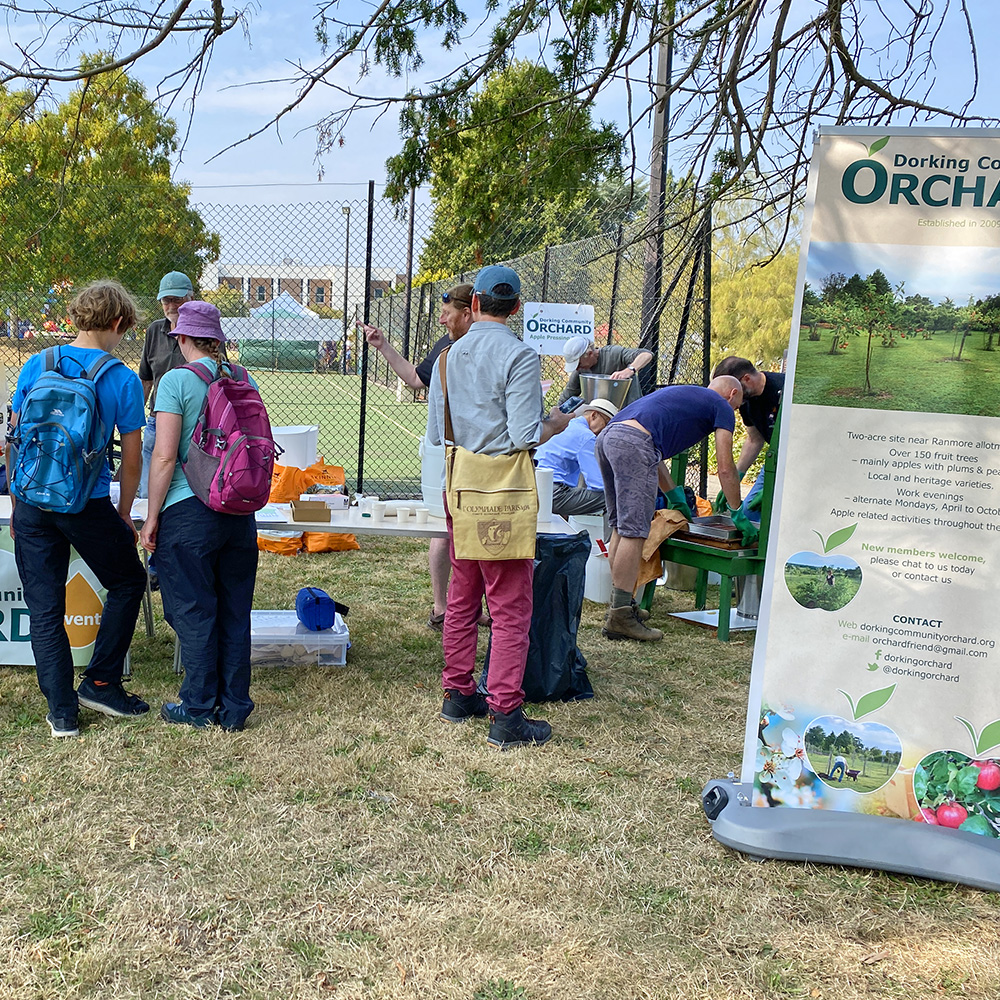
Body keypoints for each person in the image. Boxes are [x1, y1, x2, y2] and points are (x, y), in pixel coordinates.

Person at [426, 265, 572, 749]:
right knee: (510, 607)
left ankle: (457, 692)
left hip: (459, 485)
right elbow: (525, 434)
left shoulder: (447, 358)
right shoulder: (520, 356)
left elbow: (436, 433)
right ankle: (506, 713)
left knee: (463, 594)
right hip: (503, 492)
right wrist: (556, 423)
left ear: (473, 305)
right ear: (515, 308)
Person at [8, 280, 149, 737]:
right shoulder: (121, 378)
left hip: (31, 499)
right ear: (118, 322)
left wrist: (15, 501)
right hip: (84, 503)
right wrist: (125, 513)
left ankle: (62, 712)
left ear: (76, 317)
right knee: (128, 580)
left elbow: (13, 439)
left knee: (44, 606)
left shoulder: (37, 363)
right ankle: (102, 681)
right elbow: (131, 458)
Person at [140, 301, 259, 731]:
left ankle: (197, 704)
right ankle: (234, 706)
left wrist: (152, 516)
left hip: (187, 509)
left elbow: (165, 456)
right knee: (233, 607)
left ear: (183, 339)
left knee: (191, 608)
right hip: (238, 509)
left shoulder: (175, 381)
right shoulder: (243, 377)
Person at [364, 284, 487, 631]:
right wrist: (383, 345)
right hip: (450, 454)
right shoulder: (445, 348)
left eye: (447, 313)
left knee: (476, 531)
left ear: (468, 313)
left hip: (485, 456)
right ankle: (441, 606)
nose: (441, 319)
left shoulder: (489, 349)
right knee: (444, 528)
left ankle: (472, 607)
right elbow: (416, 379)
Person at [594, 377, 747, 642]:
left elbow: (652, 447)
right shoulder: (721, 406)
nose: (734, 412)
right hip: (632, 443)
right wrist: (737, 511)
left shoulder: (685, 395)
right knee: (635, 531)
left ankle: (621, 604)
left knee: (620, 526)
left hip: (609, 436)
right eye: (738, 406)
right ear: (732, 394)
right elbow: (725, 467)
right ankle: (620, 616)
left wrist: (673, 495)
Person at [138, 272, 195, 498]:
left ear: (191, 299)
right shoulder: (154, 330)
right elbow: (146, 378)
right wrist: (134, 421)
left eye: (177, 299)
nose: (171, 306)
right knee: (147, 492)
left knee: (188, 494)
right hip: (157, 422)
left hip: (192, 425)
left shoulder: (205, 333)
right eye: (166, 300)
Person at [711, 357, 785, 522]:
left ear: (746, 379)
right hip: (775, 462)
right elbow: (754, 439)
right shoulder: (744, 400)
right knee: (749, 513)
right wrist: (737, 476)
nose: (732, 394)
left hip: (803, 463)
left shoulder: (785, 389)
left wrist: (775, 489)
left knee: (778, 516)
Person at [534, 399, 618, 516]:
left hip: (534, 486)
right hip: (553, 494)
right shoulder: (586, 437)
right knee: (612, 496)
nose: (604, 432)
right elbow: (598, 484)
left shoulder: (565, 426)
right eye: (606, 425)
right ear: (594, 416)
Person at [558, 334, 654, 408]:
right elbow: (567, 396)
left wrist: (629, 370)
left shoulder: (613, 354)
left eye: (578, 364)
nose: (577, 368)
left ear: (590, 354)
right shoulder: (581, 370)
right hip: (598, 417)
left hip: (629, 412)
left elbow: (646, 354)